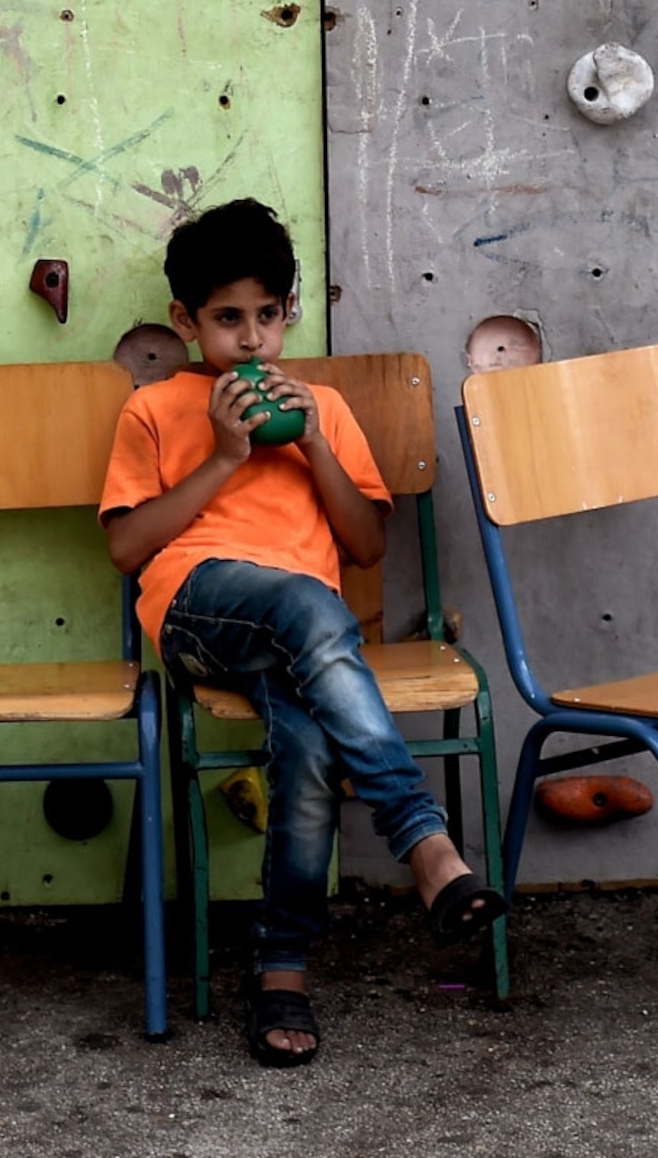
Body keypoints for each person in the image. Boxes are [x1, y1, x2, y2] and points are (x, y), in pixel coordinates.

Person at [100, 197, 505, 1067]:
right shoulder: (158, 409)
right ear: (186, 320)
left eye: (267, 316)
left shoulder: (319, 406)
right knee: (307, 610)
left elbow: (363, 547)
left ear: (289, 311)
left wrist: (315, 442)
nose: (250, 341)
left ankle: (282, 971)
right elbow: (128, 548)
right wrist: (222, 456)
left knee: (314, 739)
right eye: (226, 319)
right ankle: (422, 838)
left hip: (305, 638)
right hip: (196, 609)